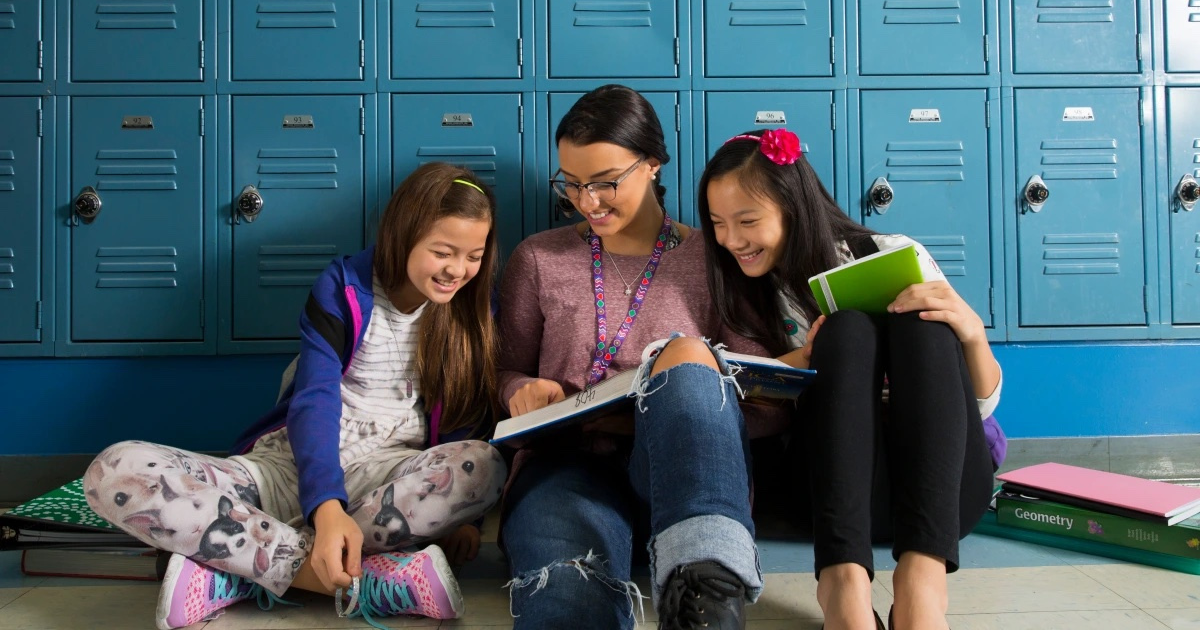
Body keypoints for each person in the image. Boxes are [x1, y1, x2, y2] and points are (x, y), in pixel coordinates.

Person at [82, 163, 509, 630]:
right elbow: (314, 398)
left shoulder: (473, 309)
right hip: (286, 468)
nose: (458, 270)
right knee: (114, 469)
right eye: (443, 252)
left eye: (473, 255)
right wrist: (325, 507)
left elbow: (466, 413)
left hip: (383, 476)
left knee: (484, 467)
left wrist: (464, 520)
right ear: (403, 234)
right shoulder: (343, 286)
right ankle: (341, 575)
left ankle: (237, 567)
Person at [497, 84, 790, 630]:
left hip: (685, 469)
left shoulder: (717, 256)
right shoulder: (538, 259)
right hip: (566, 465)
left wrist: (678, 395)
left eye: (606, 182)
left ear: (653, 164)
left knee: (685, 361)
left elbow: (767, 398)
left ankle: (707, 589)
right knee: (566, 592)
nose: (589, 201)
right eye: (573, 184)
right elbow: (505, 369)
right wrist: (520, 391)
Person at [695, 128, 1007, 630]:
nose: (731, 240)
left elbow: (983, 410)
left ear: (793, 207)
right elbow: (731, 393)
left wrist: (971, 333)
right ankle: (842, 589)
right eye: (717, 224)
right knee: (845, 332)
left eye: (747, 221)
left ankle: (921, 589)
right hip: (831, 496)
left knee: (923, 322)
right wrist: (805, 358)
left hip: (939, 496)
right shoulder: (738, 294)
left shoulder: (893, 251)